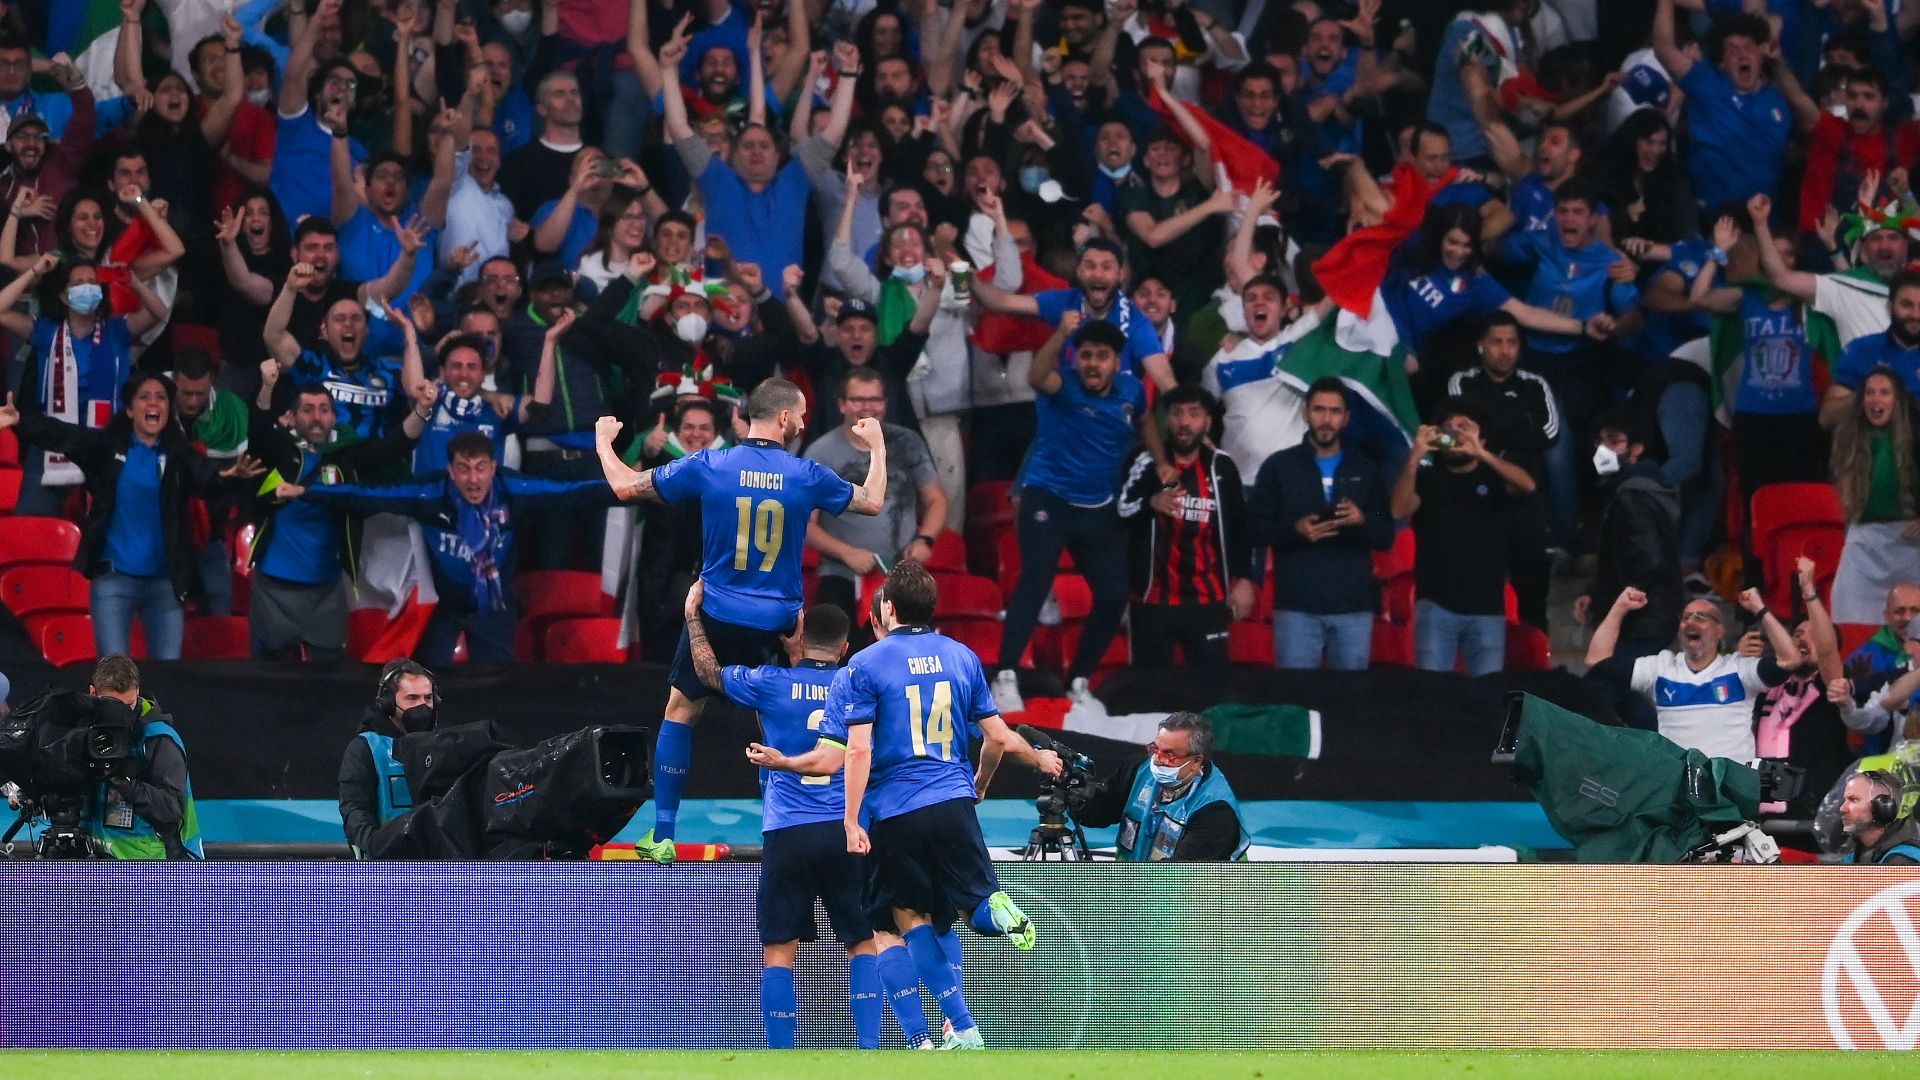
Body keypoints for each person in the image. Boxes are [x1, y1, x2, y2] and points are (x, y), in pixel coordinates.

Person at [592, 378, 888, 863]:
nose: (806, 421)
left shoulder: (712, 463)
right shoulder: (805, 473)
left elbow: (625, 485)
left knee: (680, 712)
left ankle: (663, 835)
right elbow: (872, 500)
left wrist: (605, 441)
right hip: (778, 621)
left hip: (716, 613)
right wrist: (876, 446)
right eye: (804, 413)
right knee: (775, 720)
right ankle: (784, 830)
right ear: (786, 418)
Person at [779, 561, 1062, 1050]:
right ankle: (996, 910)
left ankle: (950, 1031)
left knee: (902, 920)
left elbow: (856, 751)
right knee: (969, 905)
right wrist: (985, 780)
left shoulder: (863, 666)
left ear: (887, 607)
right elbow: (995, 738)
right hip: (953, 800)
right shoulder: (961, 656)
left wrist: (848, 819)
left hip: (896, 810)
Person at [682, 587, 880, 1051]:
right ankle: (870, 1051)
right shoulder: (859, 684)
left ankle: (781, 1058)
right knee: (863, 940)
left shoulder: (768, 681)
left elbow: (707, 673)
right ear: (846, 648)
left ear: (798, 636)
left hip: (788, 831)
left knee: (779, 950)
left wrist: (694, 618)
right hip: (846, 829)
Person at [284, 431, 620, 665]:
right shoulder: (431, 493)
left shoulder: (515, 489)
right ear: (450, 471)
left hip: (494, 605)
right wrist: (306, 492)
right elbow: (368, 494)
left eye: (480, 470)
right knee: (432, 684)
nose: (473, 480)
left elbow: (572, 492)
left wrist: (626, 488)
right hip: (443, 604)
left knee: (499, 686)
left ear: (493, 467)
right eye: (463, 469)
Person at [0, 377, 263, 660]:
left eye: (160, 397)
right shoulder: (105, 447)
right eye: (144, 397)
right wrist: (20, 419)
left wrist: (229, 476)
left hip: (164, 586)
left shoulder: (178, 454)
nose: (153, 403)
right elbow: (65, 435)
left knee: (168, 679)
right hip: (113, 583)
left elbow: (207, 476)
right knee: (114, 679)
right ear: (129, 410)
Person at [993, 316, 1172, 712]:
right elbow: (1038, 375)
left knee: (1111, 596)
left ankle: (1077, 681)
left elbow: (1145, 422)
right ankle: (1004, 676)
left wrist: (1160, 461)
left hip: (1097, 509)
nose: (1093, 363)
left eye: (1102, 356)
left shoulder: (1130, 391)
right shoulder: (1062, 385)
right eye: (1086, 355)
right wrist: (1061, 334)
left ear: (1116, 362)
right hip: (1048, 501)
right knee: (1035, 582)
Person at [246, 377, 424, 661]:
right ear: (292, 417)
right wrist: (266, 386)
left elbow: (395, 445)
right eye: (308, 409)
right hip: (274, 587)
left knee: (327, 685)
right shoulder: (280, 451)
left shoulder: (346, 458)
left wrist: (423, 410)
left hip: (326, 588)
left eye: (324, 409)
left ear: (334, 417)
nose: (316, 417)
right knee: (265, 683)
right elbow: (258, 427)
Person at [1250, 377, 1394, 671]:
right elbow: (1254, 529)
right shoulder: (1279, 466)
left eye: (1335, 411)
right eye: (1319, 409)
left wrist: (1362, 521)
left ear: (1346, 418)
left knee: (1351, 707)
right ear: (1305, 413)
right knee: (1296, 703)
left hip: (1353, 608)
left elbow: (1385, 535)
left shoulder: (1366, 469)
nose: (1326, 419)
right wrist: (1295, 531)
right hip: (1296, 607)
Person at [1391, 399, 1536, 677]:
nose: (1456, 434)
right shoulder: (1427, 478)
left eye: (1464, 428)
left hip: (1487, 609)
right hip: (1435, 608)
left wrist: (1483, 453)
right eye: (1449, 428)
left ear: (1480, 436)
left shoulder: (1494, 478)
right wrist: (1414, 456)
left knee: (1484, 701)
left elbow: (1527, 486)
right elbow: (1398, 509)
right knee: (1433, 697)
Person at [1119, 385, 1254, 670]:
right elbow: (1120, 511)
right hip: (1153, 600)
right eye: (1177, 414)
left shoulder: (1222, 467)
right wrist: (1150, 502)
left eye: (1194, 414)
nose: (1184, 422)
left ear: (1207, 422)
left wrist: (1243, 579)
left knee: (1211, 693)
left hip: (1209, 599)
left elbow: (1242, 527)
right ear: (1167, 419)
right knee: (1150, 693)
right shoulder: (1145, 461)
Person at [803, 368, 949, 623]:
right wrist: (847, 553)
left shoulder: (908, 442)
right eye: (858, 400)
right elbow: (804, 523)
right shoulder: (821, 453)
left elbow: (935, 499)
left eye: (875, 400)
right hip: (842, 574)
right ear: (842, 405)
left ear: (885, 403)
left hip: (904, 573)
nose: (867, 407)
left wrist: (925, 539)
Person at [1586, 588, 1797, 762]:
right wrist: (1620, 608)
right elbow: (1597, 660)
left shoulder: (1739, 670)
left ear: (1719, 630)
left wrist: (1760, 609)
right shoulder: (1662, 668)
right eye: (1685, 617)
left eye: (1701, 617)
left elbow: (1790, 660)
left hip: (1729, 793)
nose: (1690, 622)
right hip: (1678, 792)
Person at [1068, 711, 1249, 861]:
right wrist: (1081, 798)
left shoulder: (1215, 811)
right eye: (1156, 749)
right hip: (1137, 888)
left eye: (1169, 754)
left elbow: (1181, 877)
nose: (1158, 760)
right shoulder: (1140, 769)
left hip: (1194, 898)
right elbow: (1103, 812)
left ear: (1196, 762)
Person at [81, 655, 203, 860]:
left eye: (128, 705)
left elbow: (171, 808)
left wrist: (123, 781)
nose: (123, 715)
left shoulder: (159, 738)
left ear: (137, 691)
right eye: (113, 706)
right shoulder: (85, 732)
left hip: (157, 866)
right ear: (93, 693)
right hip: (101, 860)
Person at [1828, 370, 1920, 625]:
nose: (1875, 399)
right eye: (1869, 392)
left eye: (1884, 392)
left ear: (1898, 400)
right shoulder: (1850, 439)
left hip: (1912, 544)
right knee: (1848, 615)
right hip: (1865, 546)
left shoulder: (1917, 435)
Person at [338, 659, 440, 859]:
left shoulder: (445, 744)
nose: (422, 706)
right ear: (388, 702)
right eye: (412, 698)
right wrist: (376, 846)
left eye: (428, 698)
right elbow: (355, 808)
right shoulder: (365, 747)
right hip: (384, 864)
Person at [1838, 770, 1920, 864]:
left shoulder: (1903, 862)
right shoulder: (1856, 855)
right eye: (1845, 800)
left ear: (1882, 807)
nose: (1842, 808)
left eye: (1853, 800)